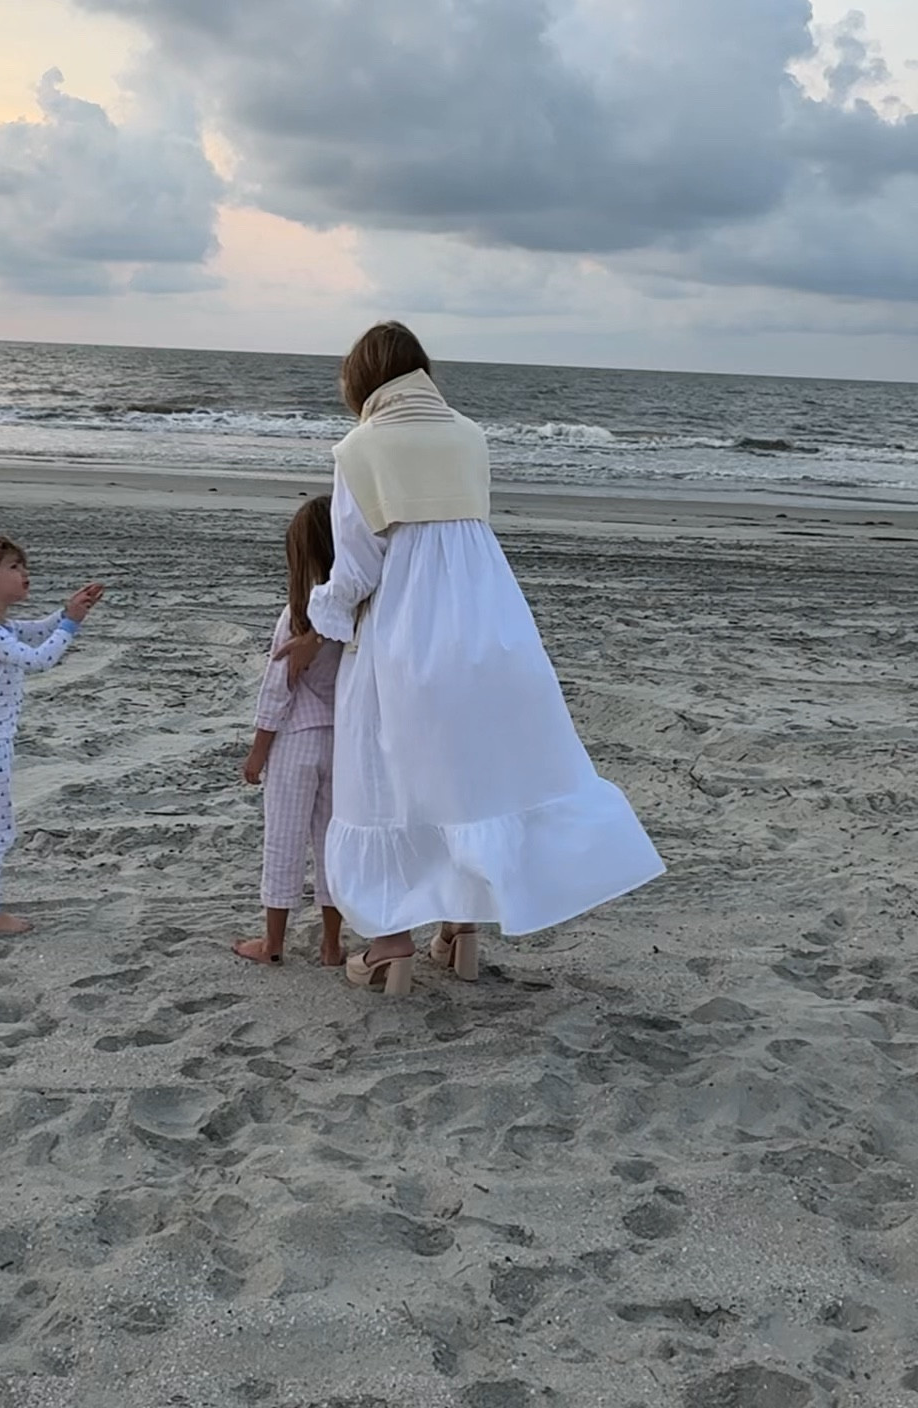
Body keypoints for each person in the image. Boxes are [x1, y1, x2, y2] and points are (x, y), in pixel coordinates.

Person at [277, 322, 665, 998]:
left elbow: (359, 567)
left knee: (388, 777)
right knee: (469, 775)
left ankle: (390, 948)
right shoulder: (470, 435)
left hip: (406, 633)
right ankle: (461, 931)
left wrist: (320, 623)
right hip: (489, 624)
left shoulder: (359, 449)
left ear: (361, 379)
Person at [0, 535, 103, 936]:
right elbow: (39, 659)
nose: (24, 573)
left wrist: (67, 612)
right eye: (14, 567)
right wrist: (70, 625)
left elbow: (34, 631)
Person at [233, 496, 345, 968]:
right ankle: (331, 945)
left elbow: (277, 691)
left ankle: (273, 943)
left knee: (284, 839)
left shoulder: (299, 615)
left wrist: (258, 752)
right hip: (341, 741)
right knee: (332, 845)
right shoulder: (356, 617)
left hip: (297, 739)